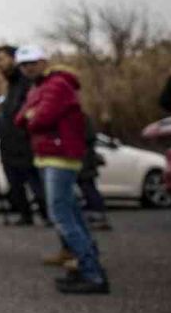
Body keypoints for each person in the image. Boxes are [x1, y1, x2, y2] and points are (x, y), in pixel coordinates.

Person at [14, 46, 110, 294]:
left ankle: (92, 273)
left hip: (60, 157)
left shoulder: (57, 85)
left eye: (32, 62)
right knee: (71, 212)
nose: (28, 68)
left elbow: (40, 119)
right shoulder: (37, 88)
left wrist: (31, 116)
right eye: (23, 64)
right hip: (47, 156)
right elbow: (20, 119)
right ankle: (87, 263)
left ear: (44, 61)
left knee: (61, 214)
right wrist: (30, 115)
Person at [0, 45, 49, 225]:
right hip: (9, 144)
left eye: (1, 59)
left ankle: (47, 213)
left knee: (35, 181)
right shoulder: (7, 84)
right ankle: (25, 214)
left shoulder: (25, 82)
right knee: (15, 183)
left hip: (25, 143)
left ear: (14, 59)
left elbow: (25, 112)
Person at [77, 113, 112, 230]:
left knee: (88, 187)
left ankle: (98, 216)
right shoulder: (84, 118)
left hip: (84, 160)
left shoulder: (80, 118)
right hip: (86, 159)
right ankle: (96, 215)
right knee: (88, 187)